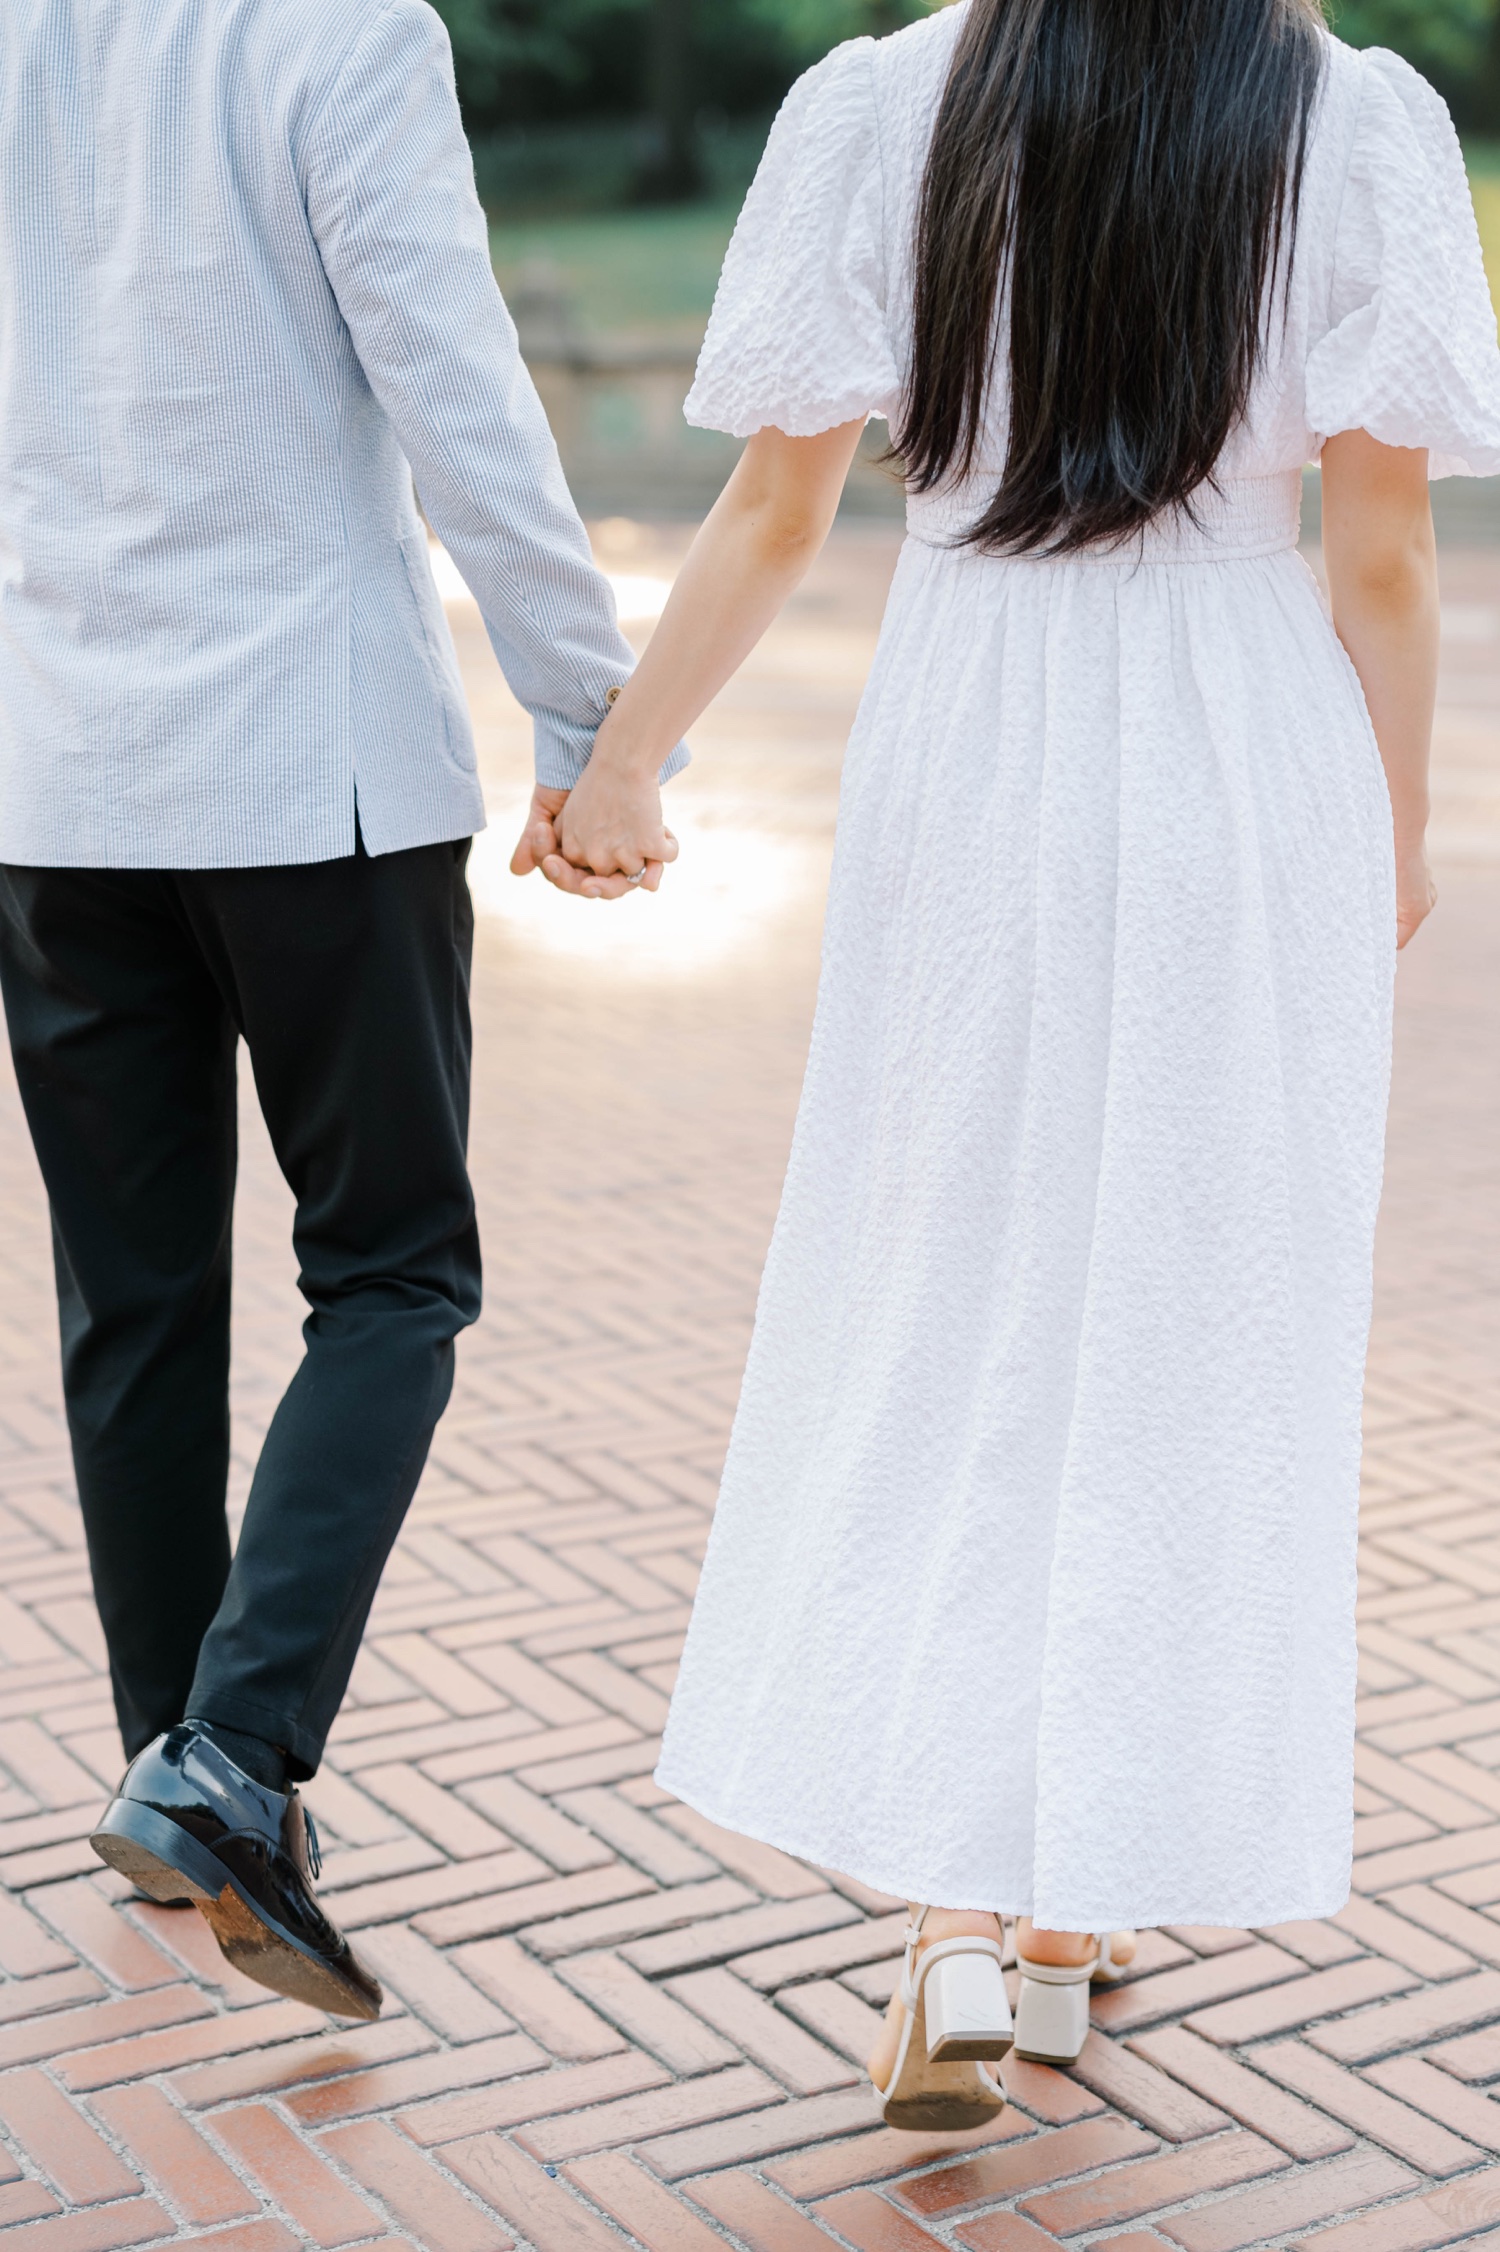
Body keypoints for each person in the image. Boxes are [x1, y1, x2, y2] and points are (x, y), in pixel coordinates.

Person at [516, 0, 1500, 2127]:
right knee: (1181, 1325)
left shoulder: (882, 106)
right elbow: (1389, 553)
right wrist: (1392, 839)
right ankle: (1069, 1916)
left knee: (954, 1289)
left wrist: (623, 760)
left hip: (976, 748)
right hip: (1249, 752)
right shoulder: (1352, 120)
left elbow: (777, 512)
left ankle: (964, 1920)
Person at [0, 0, 679, 2021]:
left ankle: (175, 1767)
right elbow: (453, 377)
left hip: (57, 773)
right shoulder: (344, 32)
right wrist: (590, 705)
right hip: (313, 771)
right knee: (392, 1274)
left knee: (133, 1300)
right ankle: (228, 1762)